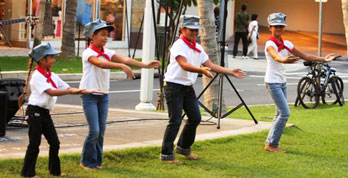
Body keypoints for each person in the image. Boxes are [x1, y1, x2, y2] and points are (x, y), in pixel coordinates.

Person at [160, 15, 246, 163]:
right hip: (173, 86)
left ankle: (183, 148)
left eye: (196, 30)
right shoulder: (178, 45)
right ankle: (166, 154)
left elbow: (211, 65)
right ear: (182, 29)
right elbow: (184, 64)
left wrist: (230, 71)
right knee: (175, 120)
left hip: (187, 87)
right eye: (191, 30)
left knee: (195, 117)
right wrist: (201, 70)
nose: (194, 33)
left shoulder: (198, 48)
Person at [79, 19, 160, 169]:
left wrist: (145, 65)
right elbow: (101, 64)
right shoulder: (88, 53)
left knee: (101, 130)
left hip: (103, 95)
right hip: (89, 95)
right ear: (92, 36)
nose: (105, 38)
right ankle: (86, 161)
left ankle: (96, 161)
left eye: (107, 35)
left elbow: (125, 59)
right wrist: (121, 66)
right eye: (102, 34)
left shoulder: (107, 52)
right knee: (94, 130)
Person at [20, 42, 99, 177]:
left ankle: (55, 171)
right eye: (51, 57)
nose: (54, 60)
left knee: (55, 143)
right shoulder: (37, 77)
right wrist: (68, 92)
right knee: (34, 144)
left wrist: (86, 91)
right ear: (42, 59)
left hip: (44, 113)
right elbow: (51, 92)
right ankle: (28, 173)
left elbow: (68, 88)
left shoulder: (52, 75)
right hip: (34, 112)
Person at [264, 13, 336, 153]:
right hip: (272, 82)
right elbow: (275, 55)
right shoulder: (270, 43)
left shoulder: (287, 44)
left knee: (279, 113)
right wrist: (283, 60)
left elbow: (305, 56)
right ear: (270, 28)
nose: (279, 28)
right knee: (285, 113)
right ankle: (272, 144)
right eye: (276, 26)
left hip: (282, 82)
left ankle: (270, 143)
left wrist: (323, 59)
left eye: (281, 26)